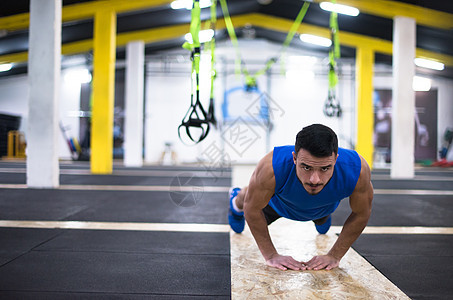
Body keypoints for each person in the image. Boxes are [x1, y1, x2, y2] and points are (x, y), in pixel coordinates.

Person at [228, 124, 373, 271]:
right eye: (306, 167)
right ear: (295, 158)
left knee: (322, 222)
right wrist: (271, 255)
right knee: (247, 197)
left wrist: (335, 255)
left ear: (335, 159)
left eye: (324, 168)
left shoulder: (357, 169)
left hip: (323, 207)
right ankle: (235, 202)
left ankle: (321, 216)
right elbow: (252, 208)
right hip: (278, 204)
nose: (314, 179)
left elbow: (362, 212)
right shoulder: (271, 166)